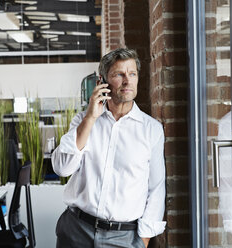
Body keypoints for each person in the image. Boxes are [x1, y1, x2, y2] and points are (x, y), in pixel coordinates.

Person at [51, 48, 166, 248]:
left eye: (132, 74)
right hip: (76, 231)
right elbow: (62, 168)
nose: (127, 81)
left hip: (124, 239)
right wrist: (90, 117)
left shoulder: (151, 130)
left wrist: (143, 241)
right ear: (102, 82)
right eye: (118, 74)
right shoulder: (83, 121)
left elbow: (156, 189)